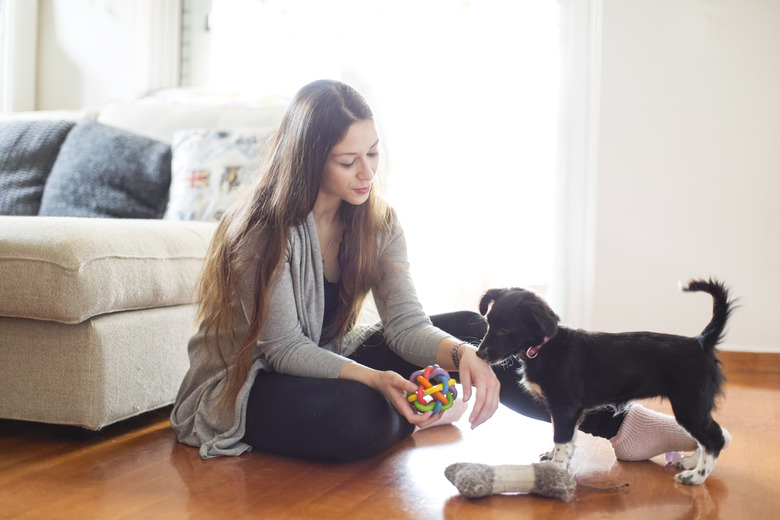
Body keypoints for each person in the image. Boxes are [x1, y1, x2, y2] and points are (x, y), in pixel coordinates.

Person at [171, 79, 718, 462]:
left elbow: (406, 325)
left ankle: (619, 426)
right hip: (251, 382)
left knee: (475, 335)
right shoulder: (261, 231)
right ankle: (410, 404)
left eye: (374, 154)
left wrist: (462, 358)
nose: (367, 173)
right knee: (355, 420)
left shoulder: (377, 223)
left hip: (331, 359)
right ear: (309, 159)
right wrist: (379, 378)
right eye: (347, 161)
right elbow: (285, 348)